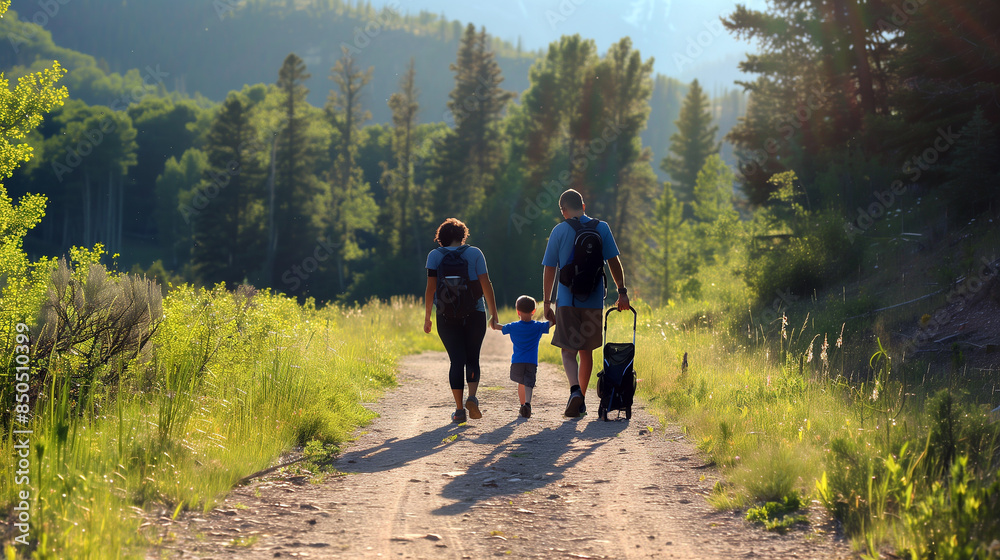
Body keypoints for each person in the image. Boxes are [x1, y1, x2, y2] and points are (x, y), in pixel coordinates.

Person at [541, 189, 630, 418]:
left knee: (568, 351)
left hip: (567, 300)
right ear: (583, 204)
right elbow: (614, 262)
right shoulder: (602, 227)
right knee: (586, 351)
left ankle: (574, 393)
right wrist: (622, 292)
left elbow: (550, 267)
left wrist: (547, 302)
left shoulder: (559, 230)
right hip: (593, 300)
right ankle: (580, 396)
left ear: (563, 210)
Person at [424, 218, 500, 423]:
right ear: (462, 236)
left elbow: (431, 289)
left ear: (441, 238)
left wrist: (428, 317)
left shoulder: (434, 256)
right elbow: (486, 283)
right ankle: (472, 398)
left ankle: (459, 410)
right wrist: (494, 313)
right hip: (475, 312)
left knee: (456, 361)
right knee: (472, 357)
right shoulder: (475, 253)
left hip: (445, 315)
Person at [493, 295, 551, 419]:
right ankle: (528, 404)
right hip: (531, 361)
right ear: (534, 311)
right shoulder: (538, 326)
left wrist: (492, 319)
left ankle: (522, 405)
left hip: (517, 361)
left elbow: (497, 326)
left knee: (521, 383)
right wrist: (549, 311)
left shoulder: (513, 326)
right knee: (529, 383)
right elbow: (553, 322)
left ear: (518, 312)